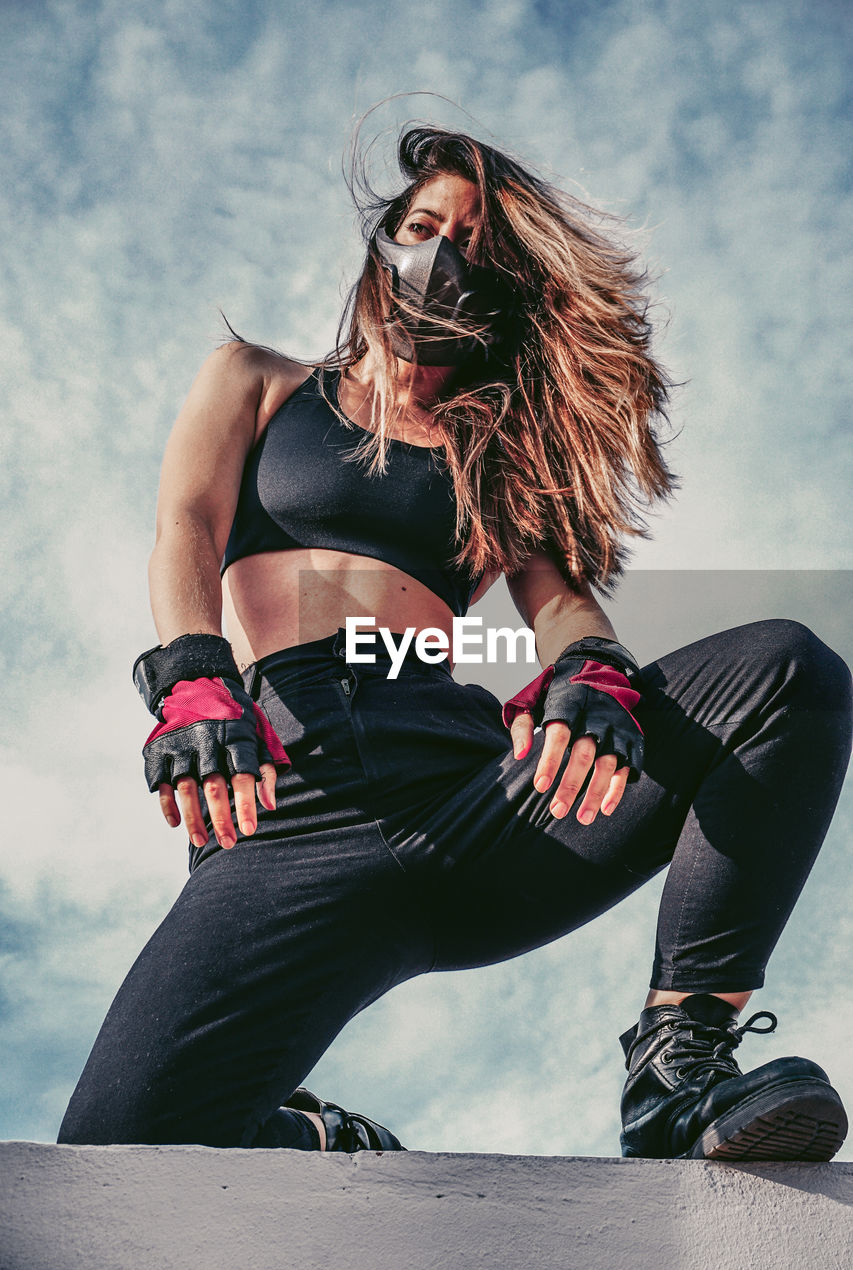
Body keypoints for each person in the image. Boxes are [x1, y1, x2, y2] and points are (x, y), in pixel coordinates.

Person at [58, 125, 852, 1161]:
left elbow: (561, 604)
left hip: (471, 795)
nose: (440, 253)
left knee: (786, 672)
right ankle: (302, 1130)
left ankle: (678, 1060)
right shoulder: (257, 379)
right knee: (112, 1154)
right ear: (382, 242)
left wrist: (590, 675)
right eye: (422, 225)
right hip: (294, 801)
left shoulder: (499, 458)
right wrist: (195, 678)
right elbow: (186, 531)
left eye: (471, 241)